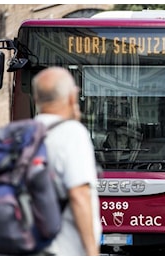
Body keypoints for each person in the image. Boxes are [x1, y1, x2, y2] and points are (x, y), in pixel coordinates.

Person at [31, 67, 102, 256]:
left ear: (36, 100)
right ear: (72, 98)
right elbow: (79, 195)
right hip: (64, 250)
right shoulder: (72, 133)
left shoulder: (26, 133)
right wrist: (92, 253)